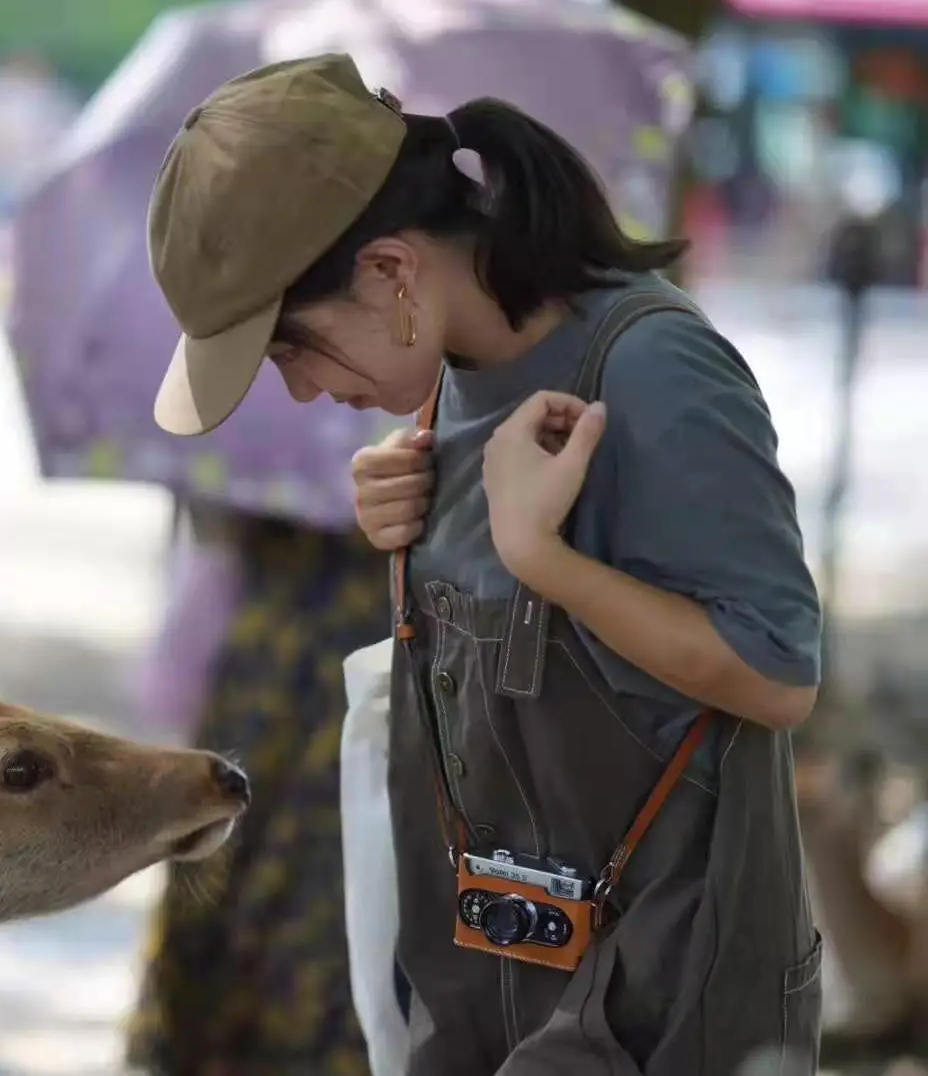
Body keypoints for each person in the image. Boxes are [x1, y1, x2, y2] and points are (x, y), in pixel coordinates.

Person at [146, 54, 824, 1075]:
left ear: (388, 274)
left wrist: (536, 556)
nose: (294, 393)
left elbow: (775, 675)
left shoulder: (653, 369)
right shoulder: (450, 380)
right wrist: (419, 532)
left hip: (665, 1001)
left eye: (292, 349)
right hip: (481, 993)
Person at [125, 503, 386, 1076]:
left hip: (281, 670)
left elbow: (210, 527)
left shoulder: (263, 435)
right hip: (338, 668)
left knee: (279, 875)